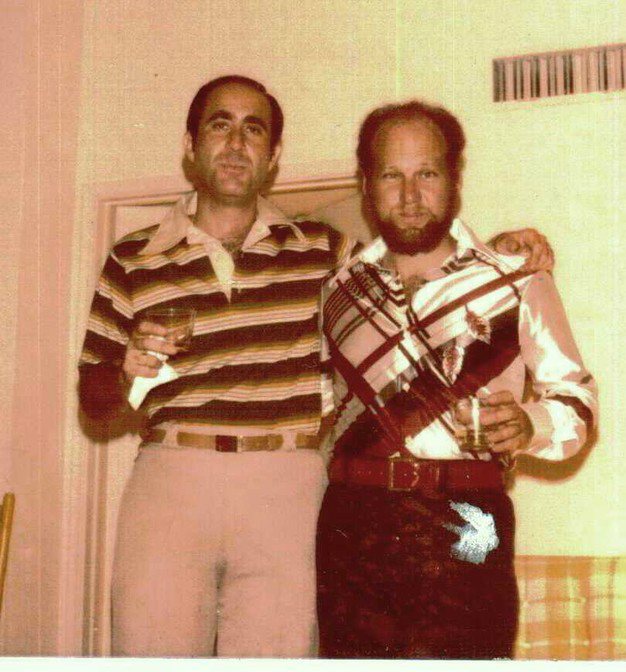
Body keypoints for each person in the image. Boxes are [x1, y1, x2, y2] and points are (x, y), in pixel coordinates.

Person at [78, 75, 553, 658]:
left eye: (254, 130)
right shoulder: (132, 256)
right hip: (172, 479)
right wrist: (125, 371)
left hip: (288, 486)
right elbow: (93, 402)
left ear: (273, 155)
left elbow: (416, 258)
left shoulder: (328, 252)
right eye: (220, 125)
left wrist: (498, 253)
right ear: (190, 145)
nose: (236, 143)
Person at [316, 99, 598, 659]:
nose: (410, 195)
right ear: (367, 185)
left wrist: (531, 424)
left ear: (454, 180)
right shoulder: (337, 290)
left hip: (469, 520)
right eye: (391, 175)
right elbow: (317, 405)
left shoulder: (514, 279)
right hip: (351, 520)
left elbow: (576, 399)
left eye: (427, 173)